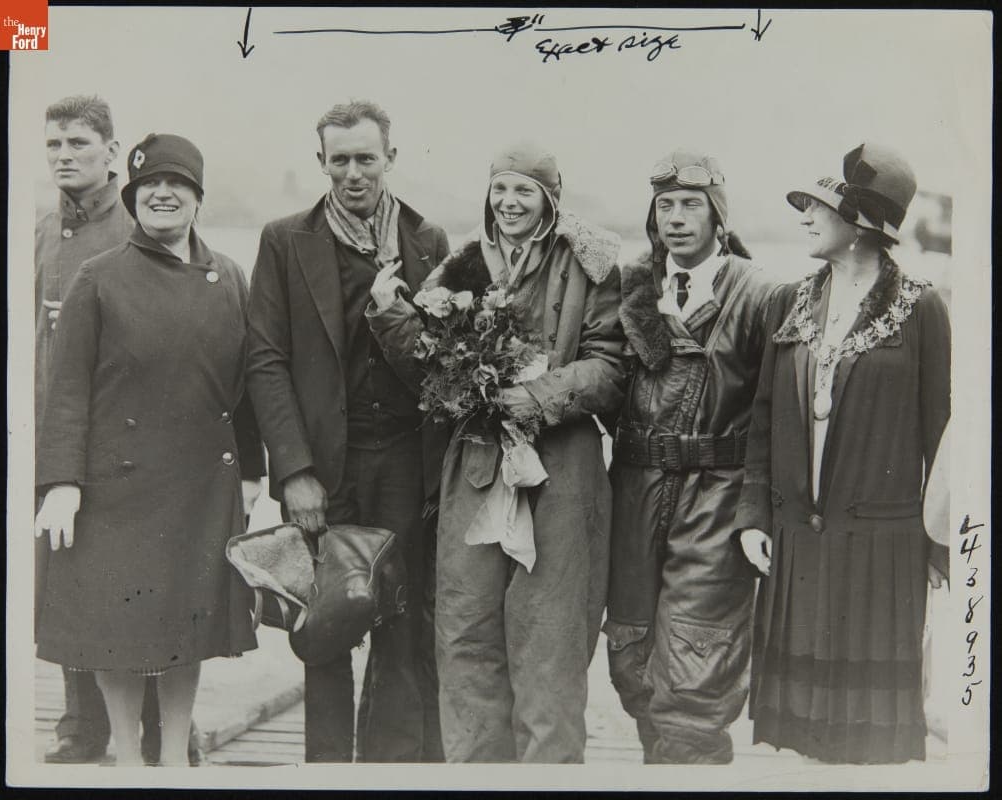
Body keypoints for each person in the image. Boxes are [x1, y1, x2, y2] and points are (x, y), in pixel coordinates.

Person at [368, 141, 627, 762]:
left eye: (524, 191)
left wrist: (535, 394)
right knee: (466, 636)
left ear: (550, 199)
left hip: (561, 472)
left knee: (550, 643)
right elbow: (430, 374)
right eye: (500, 190)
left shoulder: (591, 261)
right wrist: (391, 318)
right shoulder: (460, 268)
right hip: (478, 470)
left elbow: (612, 367)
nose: (509, 203)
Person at [34, 133, 264, 766]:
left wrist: (253, 470)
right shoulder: (99, 277)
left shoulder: (230, 278)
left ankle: (173, 759)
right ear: (133, 199)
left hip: (200, 485)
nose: (162, 194)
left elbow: (246, 383)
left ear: (197, 196)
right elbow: (66, 390)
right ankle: (131, 760)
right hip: (119, 487)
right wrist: (61, 482)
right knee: (119, 630)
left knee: (187, 625)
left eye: (177, 184)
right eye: (147, 187)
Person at [245, 100, 450, 763]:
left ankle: (392, 771)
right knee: (324, 626)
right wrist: (296, 470)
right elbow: (266, 360)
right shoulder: (284, 239)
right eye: (341, 161)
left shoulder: (428, 241)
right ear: (322, 163)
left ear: (390, 156)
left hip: (404, 462)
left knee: (401, 627)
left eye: (367, 158)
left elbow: (442, 361)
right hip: (323, 469)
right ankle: (325, 771)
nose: (354, 173)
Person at [735, 143, 951, 763]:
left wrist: (939, 546)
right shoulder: (788, 302)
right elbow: (764, 419)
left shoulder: (923, 309)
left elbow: (942, 437)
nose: (804, 215)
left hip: (883, 552)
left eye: (818, 206)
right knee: (801, 735)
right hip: (797, 542)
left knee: (871, 735)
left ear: (858, 226)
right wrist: (753, 516)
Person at [34, 95, 200, 766]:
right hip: (58, 432)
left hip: (129, 446)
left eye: (78, 143)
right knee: (71, 578)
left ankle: (164, 733)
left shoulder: (135, 229)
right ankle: (82, 725)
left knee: (146, 591)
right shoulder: (44, 230)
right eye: (53, 145)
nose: (64, 156)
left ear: (110, 151)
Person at [605, 149, 777, 764]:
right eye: (665, 206)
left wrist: (761, 509)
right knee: (632, 660)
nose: (676, 218)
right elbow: (602, 380)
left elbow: (779, 410)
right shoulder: (629, 290)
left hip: (716, 497)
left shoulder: (760, 295)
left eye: (692, 205)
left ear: (718, 216)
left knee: (695, 673)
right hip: (635, 491)